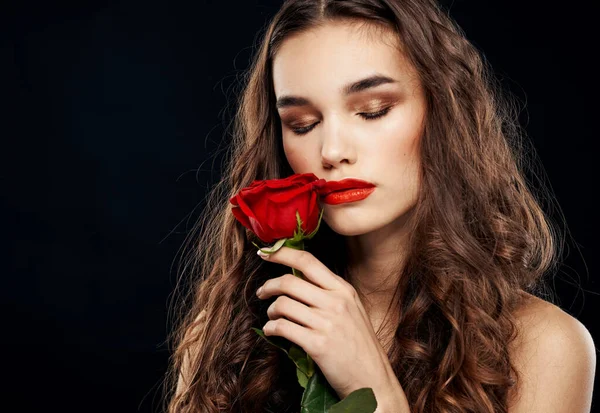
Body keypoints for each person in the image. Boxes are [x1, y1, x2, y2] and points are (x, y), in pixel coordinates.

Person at [163, 0, 596, 412]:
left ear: (443, 111)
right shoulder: (223, 337)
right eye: (303, 124)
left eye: (373, 110)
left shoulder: (543, 346)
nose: (331, 151)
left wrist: (372, 392)